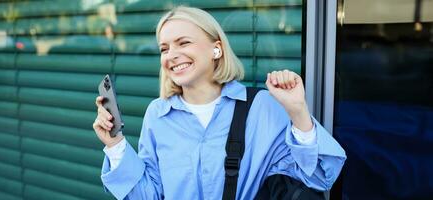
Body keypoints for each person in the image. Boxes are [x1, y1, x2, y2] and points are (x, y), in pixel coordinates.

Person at [92, 6, 346, 200]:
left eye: (184, 42)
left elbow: (320, 177)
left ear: (217, 49)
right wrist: (115, 145)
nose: (171, 55)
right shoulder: (157, 115)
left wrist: (298, 111)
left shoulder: (263, 107)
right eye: (164, 48)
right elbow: (148, 196)